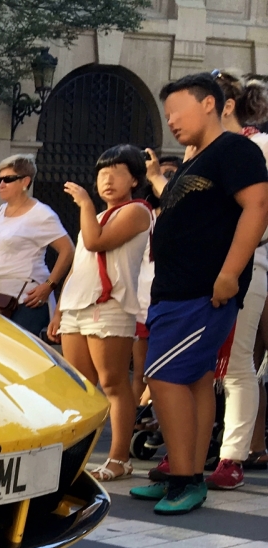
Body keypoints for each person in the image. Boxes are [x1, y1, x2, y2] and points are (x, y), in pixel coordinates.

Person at [129, 73, 268, 514]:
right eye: (167, 113)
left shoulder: (236, 149)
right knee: (194, 378)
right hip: (176, 289)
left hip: (202, 290)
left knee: (163, 375)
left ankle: (185, 477)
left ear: (209, 103)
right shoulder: (195, 160)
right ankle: (183, 472)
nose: (170, 120)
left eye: (177, 110)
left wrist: (230, 272)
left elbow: (258, 206)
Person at [48, 145, 153, 482]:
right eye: (102, 174)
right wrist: (59, 310)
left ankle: (119, 458)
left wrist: (85, 203)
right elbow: (81, 265)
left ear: (134, 179)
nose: (106, 180)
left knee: (113, 383)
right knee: (81, 386)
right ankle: (77, 455)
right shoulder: (93, 217)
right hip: (77, 306)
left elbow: (96, 243)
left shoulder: (137, 211)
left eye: (116, 173)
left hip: (109, 307)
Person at [203, 70, 268, 489]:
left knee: (237, 364)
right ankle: (186, 450)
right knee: (199, 366)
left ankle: (232, 457)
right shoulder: (203, 151)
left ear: (223, 105)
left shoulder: (258, 145)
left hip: (247, 261)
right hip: (202, 266)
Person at [0, 154, 75, 335]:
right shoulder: (0, 211)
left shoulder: (41, 214)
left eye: (8, 179)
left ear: (25, 182)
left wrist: (49, 285)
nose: (1, 184)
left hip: (26, 300)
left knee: (17, 352)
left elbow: (68, 249)